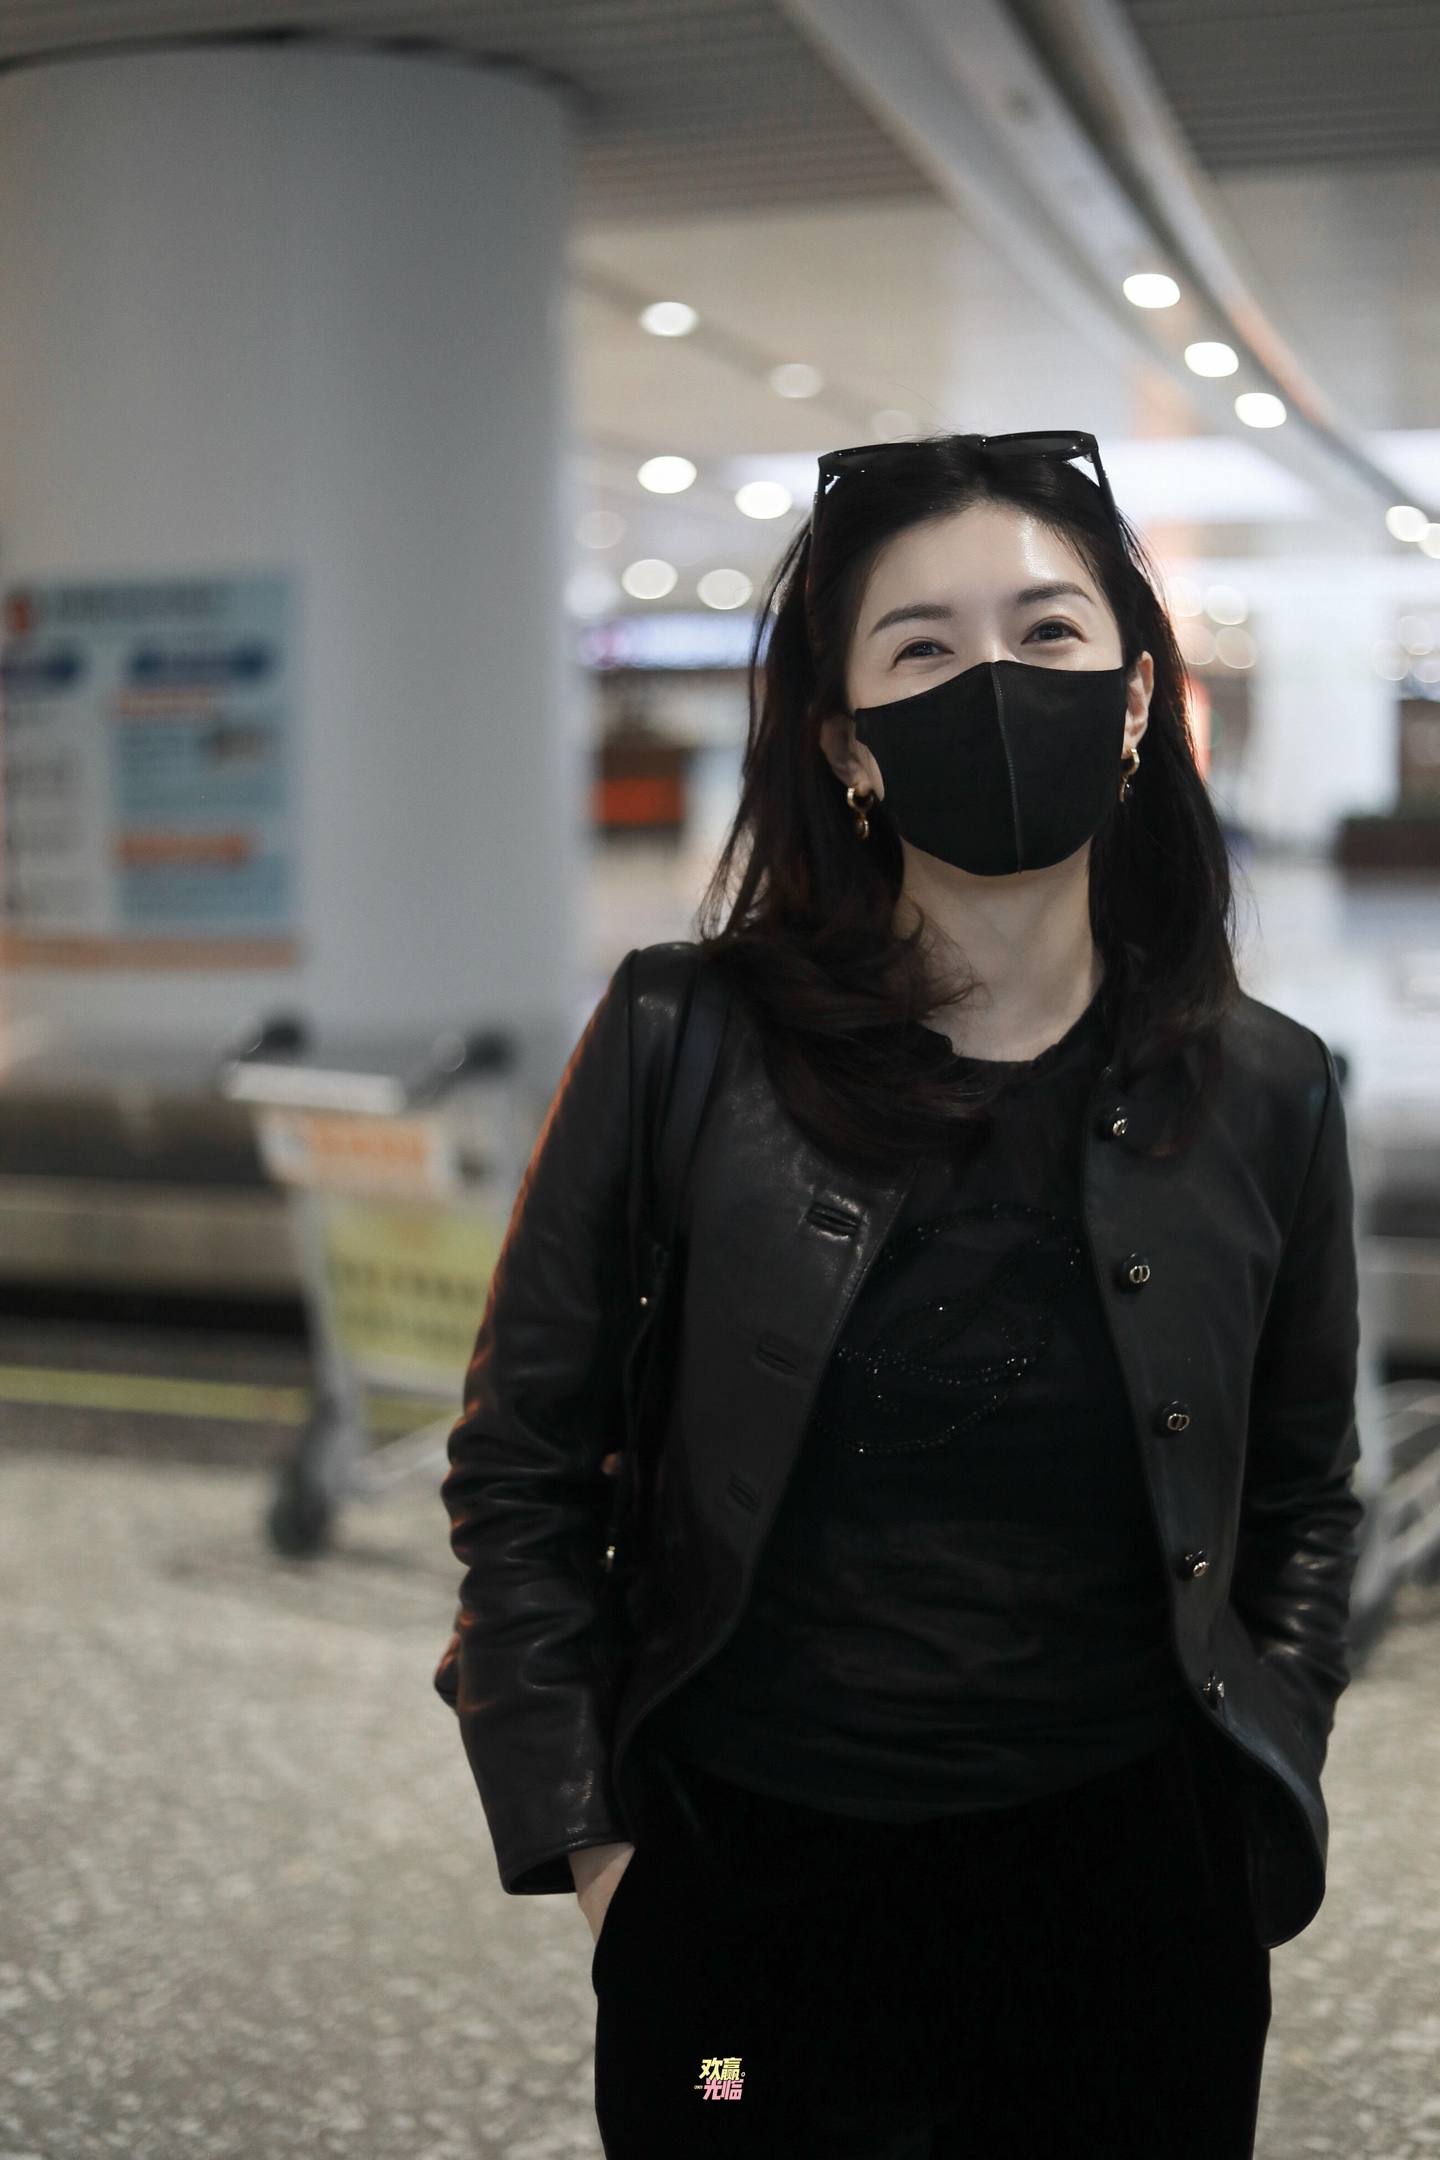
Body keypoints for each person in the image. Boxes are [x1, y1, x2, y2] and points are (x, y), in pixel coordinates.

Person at [436, 432, 1361, 2160]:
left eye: (1049, 632)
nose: (995, 685)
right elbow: (519, 1467)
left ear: (1138, 699)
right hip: (745, 1918)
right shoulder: (682, 1039)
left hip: (1133, 1918)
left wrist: (1265, 1787)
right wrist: (603, 1859)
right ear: (849, 742)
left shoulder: (1266, 1089)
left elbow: (1307, 1500)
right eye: (922, 648)